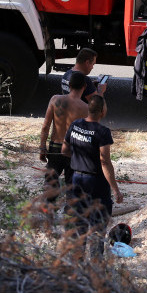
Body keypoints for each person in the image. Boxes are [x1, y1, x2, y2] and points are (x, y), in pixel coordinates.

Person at [62, 95, 123, 258]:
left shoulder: (75, 125)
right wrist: (116, 190)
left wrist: (79, 160)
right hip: (96, 183)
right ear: (102, 111)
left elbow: (64, 150)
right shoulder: (102, 132)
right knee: (98, 225)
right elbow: (105, 162)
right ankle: (96, 264)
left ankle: (78, 262)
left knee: (79, 222)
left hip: (77, 179)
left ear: (89, 109)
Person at [39, 70, 89, 204]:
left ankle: (48, 212)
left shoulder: (55, 100)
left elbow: (45, 127)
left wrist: (42, 147)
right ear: (84, 87)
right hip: (73, 150)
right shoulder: (85, 108)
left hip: (55, 147)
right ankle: (70, 215)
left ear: (70, 85)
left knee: (51, 183)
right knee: (72, 186)